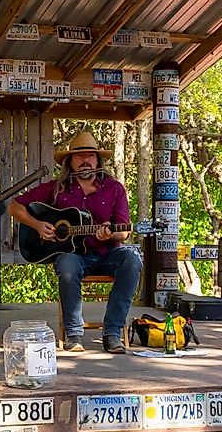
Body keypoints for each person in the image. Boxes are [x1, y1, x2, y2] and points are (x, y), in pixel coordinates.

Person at [8, 131, 141, 354]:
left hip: (107, 253)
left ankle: (113, 333)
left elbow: (124, 232)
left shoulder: (114, 188)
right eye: (79, 156)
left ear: (98, 160)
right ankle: (74, 334)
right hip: (74, 256)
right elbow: (14, 206)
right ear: (70, 161)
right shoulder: (56, 188)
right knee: (67, 265)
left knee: (132, 261)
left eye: (91, 155)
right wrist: (38, 225)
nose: (86, 160)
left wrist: (111, 234)